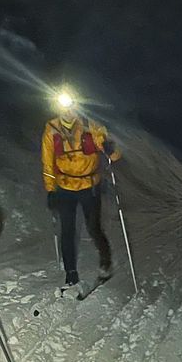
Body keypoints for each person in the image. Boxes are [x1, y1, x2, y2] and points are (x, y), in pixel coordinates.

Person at [41, 89, 120, 293]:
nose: (68, 111)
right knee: (67, 230)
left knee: (93, 228)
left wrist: (110, 149)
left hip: (89, 186)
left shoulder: (90, 126)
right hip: (65, 187)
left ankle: (106, 263)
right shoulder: (51, 130)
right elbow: (48, 164)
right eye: (63, 107)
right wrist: (50, 190)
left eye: (71, 106)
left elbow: (113, 153)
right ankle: (71, 274)